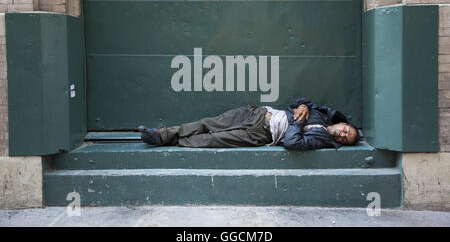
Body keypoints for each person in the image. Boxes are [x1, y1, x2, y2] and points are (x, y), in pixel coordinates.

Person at [138, 97, 361, 151]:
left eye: (345, 139)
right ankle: (161, 135)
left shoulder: (322, 140)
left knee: (215, 139)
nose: (342, 135)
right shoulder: (322, 114)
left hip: (262, 135)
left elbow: (292, 143)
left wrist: (295, 122)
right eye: (346, 131)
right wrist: (303, 104)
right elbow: (295, 101)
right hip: (259, 114)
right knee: (209, 123)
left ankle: (172, 141)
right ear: (344, 123)